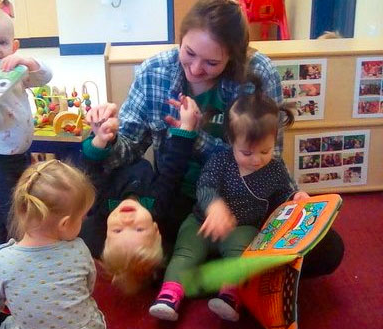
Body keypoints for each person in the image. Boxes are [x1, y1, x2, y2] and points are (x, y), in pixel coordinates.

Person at [82, 0, 343, 280]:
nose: (195, 69)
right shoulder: (153, 72)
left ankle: (186, 270)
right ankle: (230, 270)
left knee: (328, 250)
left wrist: (194, 137)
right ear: (179, 40)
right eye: (189, 53)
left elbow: (266, 160)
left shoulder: (258, 73)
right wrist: (105, 135)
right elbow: (129, 148)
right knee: (93, 235)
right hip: (175, 198)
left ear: (233, 56)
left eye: (211, 62)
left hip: (244, 197)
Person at [149, 78, 309, 322]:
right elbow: (205, 186)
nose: (256, 159)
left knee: (242, 257)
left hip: (242, 227)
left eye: (265, 151)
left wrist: (295, 197)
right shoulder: (221, 161)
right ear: (231, 141)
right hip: (201, 222)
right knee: (183, 255)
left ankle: (229, 295)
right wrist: (214, 207)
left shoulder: (274, 169)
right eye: (247, 152)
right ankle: (169, 294)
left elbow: (282, 194)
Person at [82, 96, 201, 294]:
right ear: (155, 229)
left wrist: (99, 140)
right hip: (149, 145)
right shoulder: (157, 204)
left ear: (105, 232)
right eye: (138, 229)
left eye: (118, 231)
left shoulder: (102, 206)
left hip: (114, 147)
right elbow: (173, 170)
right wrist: (186, 129)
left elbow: (90, 171)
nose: (127, 220)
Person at [0, 159, 106, 329]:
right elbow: (88, 287)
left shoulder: (2, 260)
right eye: (82, 218)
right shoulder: (79, 249)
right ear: (64, 224)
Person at [0, 6, 52, 247]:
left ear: (14, 46)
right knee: (11, 204)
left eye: (2, 42)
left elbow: (45, 77)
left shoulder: (17, 71)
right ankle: (8, 247)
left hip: (20, 152)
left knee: (13, 200)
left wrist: (27, 62)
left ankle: (1, 242)